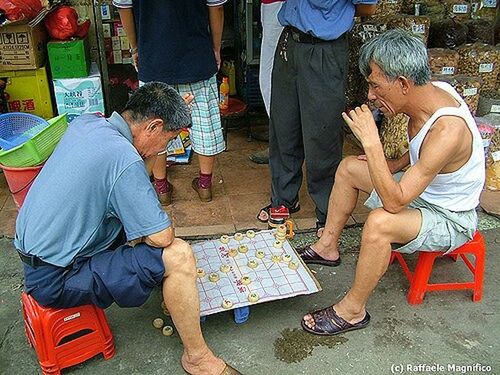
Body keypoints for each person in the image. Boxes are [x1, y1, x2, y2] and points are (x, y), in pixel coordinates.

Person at [14, 83, 240, 375]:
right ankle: (197, 359)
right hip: (55, 278)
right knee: (178, 254)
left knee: (136, 220)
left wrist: (170, 115)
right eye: (168, 140)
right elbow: (161, 236)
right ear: (153, 125)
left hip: (38, 254)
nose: (165, 150)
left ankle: (175, 300)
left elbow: (132, 170)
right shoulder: (124, 158)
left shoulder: (89, 123)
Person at [300, 30, 485, 336]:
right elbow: (424, 158)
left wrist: (372, 143)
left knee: (379, 223)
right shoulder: (430, 91)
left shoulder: (447, 131)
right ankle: (327, 246)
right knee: (348, 168)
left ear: (402, 83)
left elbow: (395, 202)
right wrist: (394, 164)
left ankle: (352, 310)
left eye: (374, 85)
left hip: (450, 218)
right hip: (423, 192)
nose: (370, 95)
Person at [257, 0, 378, 234]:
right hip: (289, 42)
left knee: (322, 134)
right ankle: (283, 198)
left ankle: (327, 210)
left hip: (325, 48)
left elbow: (368, 7)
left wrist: (330, 13)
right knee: (283, 126)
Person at [114, 0, 227, 205]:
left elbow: (124, 8)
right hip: (197, 57)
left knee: (156, 126)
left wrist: (136, 47)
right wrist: (216, 48)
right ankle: (204, 185)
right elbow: (217, 7)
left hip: (154, 57)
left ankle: (162, 187)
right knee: (204, 123)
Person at [249, 0, 285, 165]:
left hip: (279, 6)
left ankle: (281, 143)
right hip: (272, 5)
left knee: (270, 79)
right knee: (270, 78)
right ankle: (277, 134)